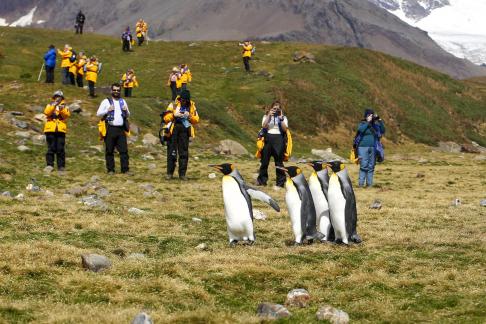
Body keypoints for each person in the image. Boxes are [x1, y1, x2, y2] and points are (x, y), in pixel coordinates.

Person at [162, 89, 199, 180]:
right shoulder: (173, 105)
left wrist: (189, 116)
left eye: (186, 100)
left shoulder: (192, 106)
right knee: (171, 152)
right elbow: (165, 118)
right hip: (173, 130)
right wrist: (174, 115)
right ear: (180, 98)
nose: (184, 101)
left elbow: (197, 119)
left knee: (184, 152)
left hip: (185, 130)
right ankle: (169, 173)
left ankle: (182, 174)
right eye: (182, 99)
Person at [96, 84, 131, 174]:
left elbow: (128, 115)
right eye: (114, 90)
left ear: (120, 91)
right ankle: (110, 169)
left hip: (121, 129)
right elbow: (98, 114)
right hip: (110, 128)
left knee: (124, 150)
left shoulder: (123, 101)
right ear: (111, 91)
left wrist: (126, 111)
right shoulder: (106, 101)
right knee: (109, 150)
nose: (116, 92)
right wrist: (107, 110)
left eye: (118, 90)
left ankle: (125, 169)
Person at [256, 101, 288, 187]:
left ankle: (280, 183)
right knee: (264, 161)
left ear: (280, 110)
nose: (276, 110)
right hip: (268, 138)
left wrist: (281, 119)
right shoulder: (266, 116)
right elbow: (264, 126)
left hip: (279, 139)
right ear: (271, 108)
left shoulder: (283, 117)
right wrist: (269, 115)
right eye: (274, 108)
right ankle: (262, 181)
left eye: (278, 109)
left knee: (279, 162)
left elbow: (285, 129)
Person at [355, 108, 385, 187]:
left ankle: (369, 185)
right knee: (363, 165)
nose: (371, 117)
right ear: (366, 116)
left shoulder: (375, 125)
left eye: (372, 115)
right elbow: (360, 130)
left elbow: (383, 130)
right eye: (369, 115)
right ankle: (361, 184)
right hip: (362, 147)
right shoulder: (362, 123)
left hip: (373, 147)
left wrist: (380, 120)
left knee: (371, 166)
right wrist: (367, 122)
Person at [43, 90, 71, 171]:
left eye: (59, 97)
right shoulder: (50, 105)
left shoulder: (65, 106)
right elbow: (47, 112)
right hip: (50, 129)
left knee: (60, 148)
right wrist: (54, 105)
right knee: (50, 148)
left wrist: (61, 109)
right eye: (56, 96)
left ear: (62, 98)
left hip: (60, 129)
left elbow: (66, 115)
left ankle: (61, 166)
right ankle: (49, 165)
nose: (57, 98)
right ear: (54, 97)